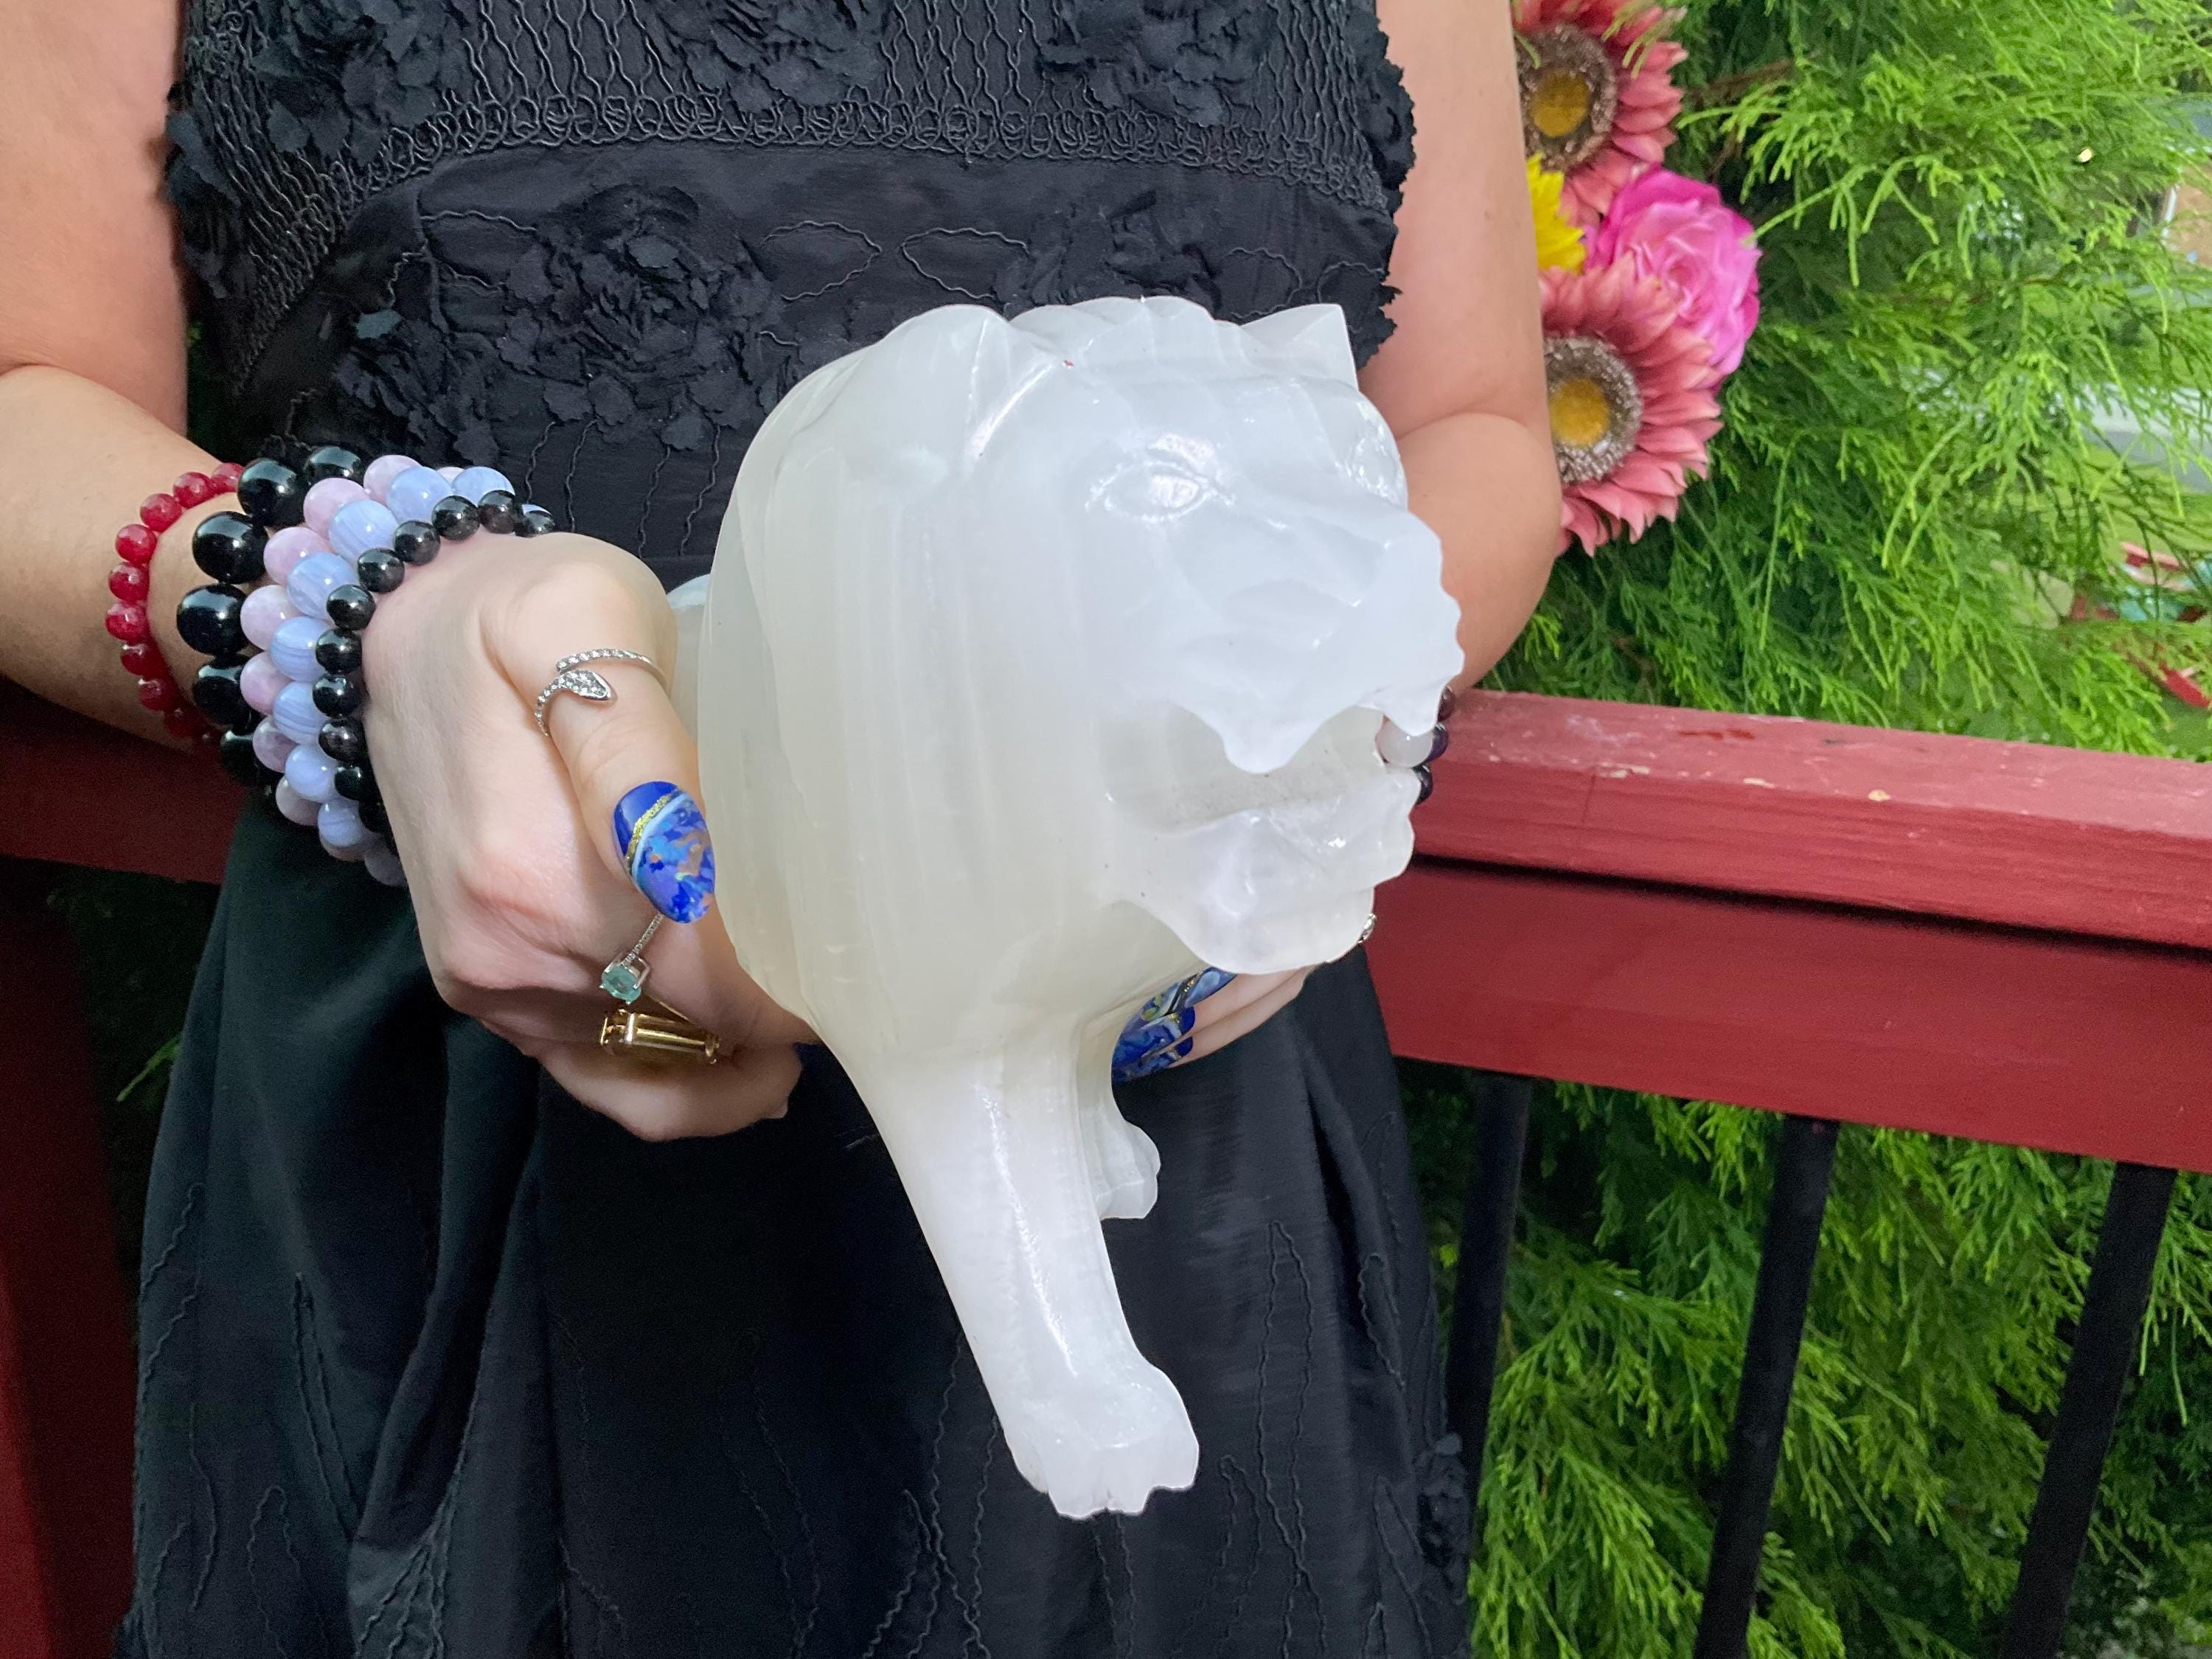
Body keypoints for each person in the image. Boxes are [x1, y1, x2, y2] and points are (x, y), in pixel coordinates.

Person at [0, 0, 1557, 1648]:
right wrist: (361, 609)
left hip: (1197, 1127)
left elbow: (1469, 426)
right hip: (473, 1122)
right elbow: (31, 397)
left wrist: (1311, 738)